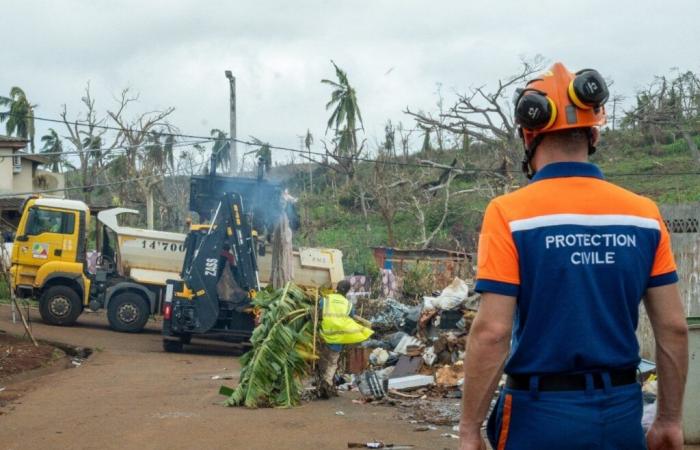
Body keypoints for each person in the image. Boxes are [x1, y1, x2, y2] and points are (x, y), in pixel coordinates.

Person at [459, 62, 689, 450]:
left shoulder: (509, 214)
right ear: (594, 132)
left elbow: (492, 332)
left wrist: (469, 431)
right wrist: (668, 420)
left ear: (529, 133)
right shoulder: (643, 215)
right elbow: (673, 328)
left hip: (539, 416)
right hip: (620, 413)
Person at [317, 279, 373, 398]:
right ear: (347, 291)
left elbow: (319, 311)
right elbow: (351, 319)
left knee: (322, 360)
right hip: (338, 338)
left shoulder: (326, 299)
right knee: (332, 362)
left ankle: (322, 382)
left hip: (323, 335)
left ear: (336, 288)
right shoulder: (348, 304)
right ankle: (326, 382)